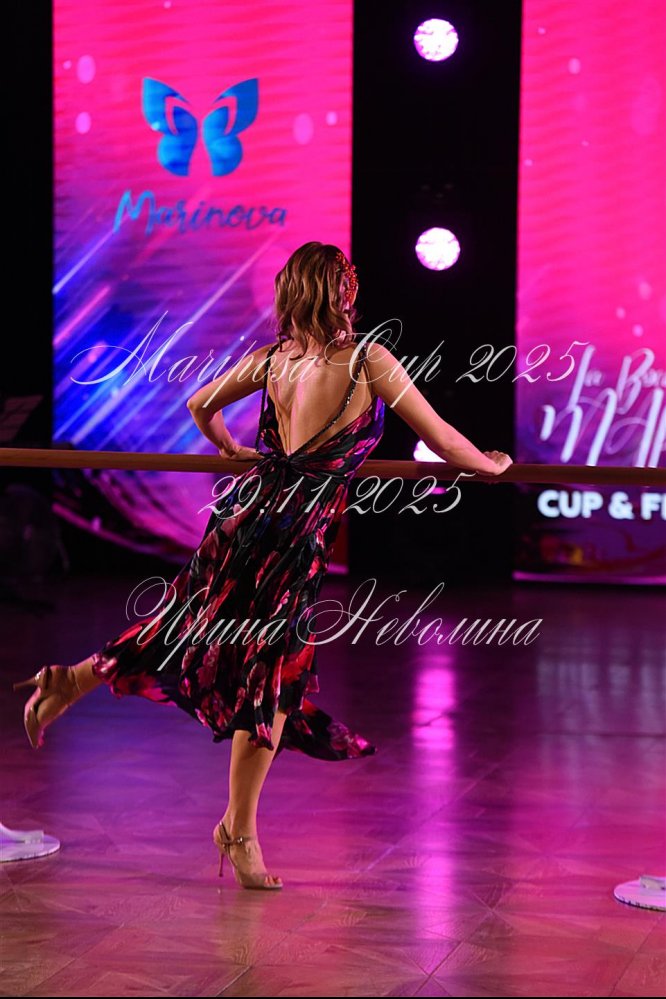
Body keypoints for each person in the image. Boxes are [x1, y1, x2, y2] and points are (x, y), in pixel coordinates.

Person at [13, 241, 512, 890]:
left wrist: (230, 448)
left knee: (189, 632)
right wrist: (490, 464)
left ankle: (70, 683)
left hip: (243, 520)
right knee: (270, 678)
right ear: (343, 294)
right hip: (292, 542)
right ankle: (237, 827)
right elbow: (441, 439)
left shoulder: (272, 360)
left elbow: (199, 404)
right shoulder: (369, 359)